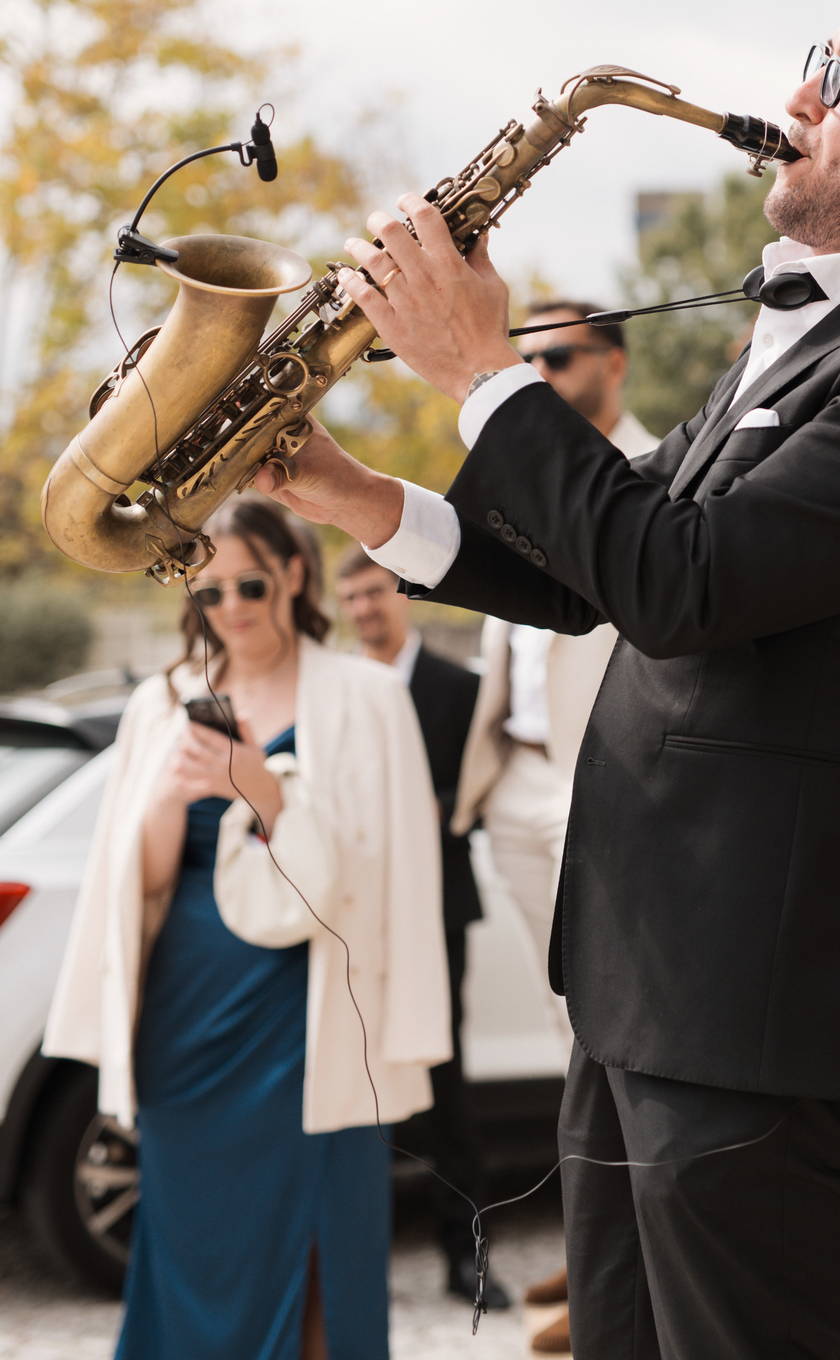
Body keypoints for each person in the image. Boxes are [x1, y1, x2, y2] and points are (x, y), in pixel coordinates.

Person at [257, 0, 840, 1360]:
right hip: (653, 981)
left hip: (765, 1005)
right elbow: (598, 566)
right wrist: (348, 493)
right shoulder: (823, 321)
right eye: (818, 58)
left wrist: (483, 372)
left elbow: (680, 583)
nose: (799, 93)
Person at [43, 499, 449, 1360]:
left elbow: (392, 877)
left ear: (295, 574)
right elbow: (142, 881)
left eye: (251, 585)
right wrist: (167, 798)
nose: (231, 607)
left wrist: (262, 789)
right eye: (210, 591)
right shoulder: (160, 703)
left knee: (324, 1254)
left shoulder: (370, 697)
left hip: (315, 1016)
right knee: (197, 1244)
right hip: (186, 1016)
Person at [448, 301, 654, 1352]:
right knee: (563, 1029)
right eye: (523, 355)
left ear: (613, 361)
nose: (537, 368)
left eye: (558, 353)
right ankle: (595, 1248)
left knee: (611, 1032)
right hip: (517, 778)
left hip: (599, 782)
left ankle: (618, 1273)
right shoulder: (516, 466)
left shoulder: (655, 470)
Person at [334, 546, 510, 1311]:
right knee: (353, 1080)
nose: (364, 608)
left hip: (436, 909)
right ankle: (354, 1261)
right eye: (350, 597)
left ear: (400, 593)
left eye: (373, 592)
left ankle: (465, 1259)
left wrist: (426, 810)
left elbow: (477, 794)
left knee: (444, 1080)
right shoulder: (334, 689)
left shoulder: (461, 689)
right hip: (353, 915)